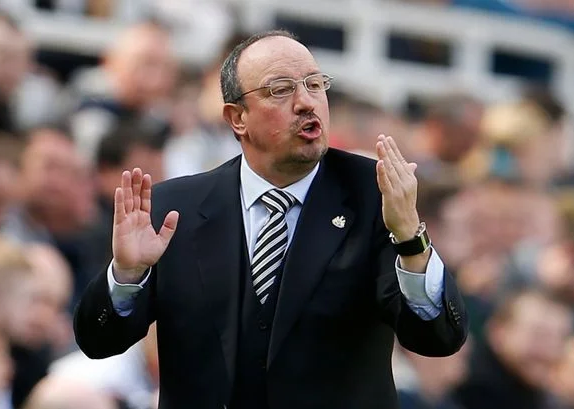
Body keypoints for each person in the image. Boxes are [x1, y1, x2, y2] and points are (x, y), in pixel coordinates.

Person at [74, 30, 468, 409]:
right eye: (281, 89)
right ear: (237, 118)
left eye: (315, 85)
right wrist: (127, 275)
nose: (306, 102)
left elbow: (439, 338)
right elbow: (98, 341)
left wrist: (410, 240)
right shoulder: (173, 209)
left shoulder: (375, 195)